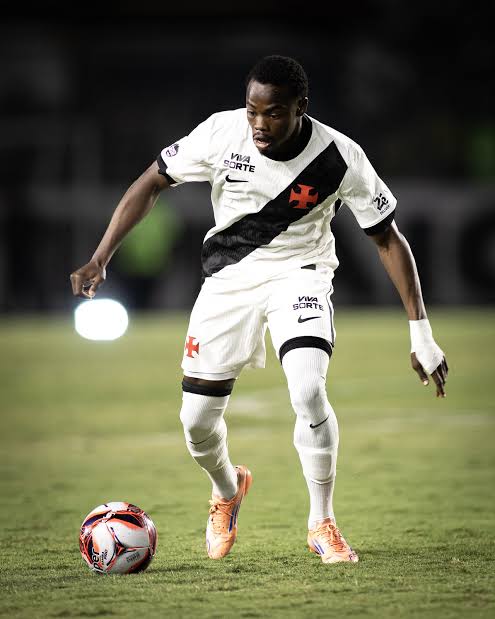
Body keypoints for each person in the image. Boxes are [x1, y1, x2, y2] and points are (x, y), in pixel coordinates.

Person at [70, 55, 448, 565]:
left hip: (301, 274)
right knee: (196, 423)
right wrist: (100, 257)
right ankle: (228, 489)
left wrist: (421, 333)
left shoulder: (340, 156)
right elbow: (152, 181)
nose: (259, 124)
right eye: (252, 111)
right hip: (228, 282)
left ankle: (322, 522)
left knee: (308, 389)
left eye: (273, 113)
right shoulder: (221, 133)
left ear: (300, 107)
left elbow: (387, 239)